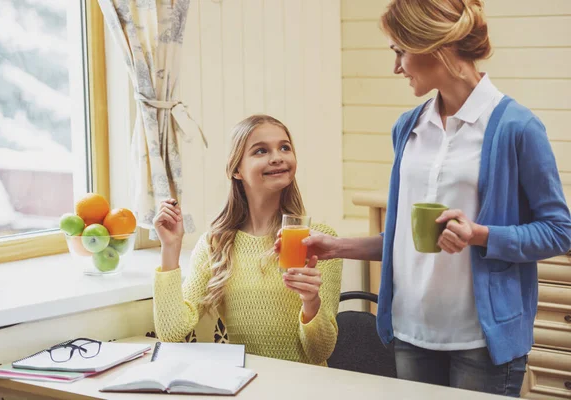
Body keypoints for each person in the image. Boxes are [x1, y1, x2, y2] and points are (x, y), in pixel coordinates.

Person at [276, 0, 571, 396]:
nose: (395, 67)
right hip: (410, 334)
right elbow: (404, 240)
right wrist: (335, 247)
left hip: (480, 343)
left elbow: (558, 231)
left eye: (399, 51)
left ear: (434, 45)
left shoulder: (517, 127)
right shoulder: (409, 127)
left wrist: (480, 235)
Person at [152, 114, 343, 366]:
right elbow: (171, 332)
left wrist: (311, 302)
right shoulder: (216, 244)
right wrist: (170, 248)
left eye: (284, 147)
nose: (277, 157)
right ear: (237, 170)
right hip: (244, 385)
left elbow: (320, 352)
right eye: (261, 151)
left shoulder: (319, 241)